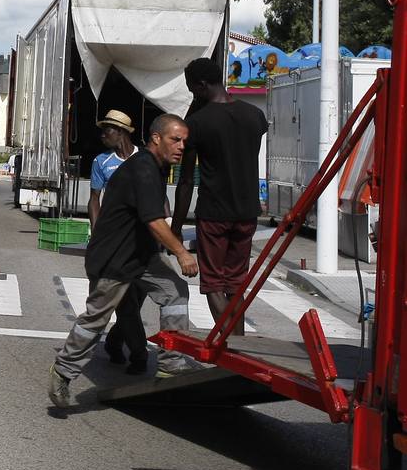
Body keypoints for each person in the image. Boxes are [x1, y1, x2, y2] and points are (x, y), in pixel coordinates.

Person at [48, 115, 202, 409]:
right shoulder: (143, 168)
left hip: (140, 254)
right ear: (156, 138)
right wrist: (181, 252)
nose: (182, 146)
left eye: (184, 141)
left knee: (175, 292)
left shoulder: (157, 167)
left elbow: (156, 216)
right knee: (96, 319)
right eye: (175, 139)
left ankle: (170, 362)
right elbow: (154, 220)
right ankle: (63, 371)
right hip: (114, 257)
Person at [171, 57, 269, 335]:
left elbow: (187, 180)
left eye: (192, 89)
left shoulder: (198, 123)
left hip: (214, 213)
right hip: (247, 212)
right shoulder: (255, 116)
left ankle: (230, 350)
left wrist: (176, 228)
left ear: (201, 85)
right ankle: (239, 350)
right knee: (235, 284)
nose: (192, 95)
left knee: (214, 283)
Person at [89, 110, 149, 375]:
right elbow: (94, 199)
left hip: (145, 240)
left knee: (137, 297)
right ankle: (139, 355)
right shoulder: (101, 162)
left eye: (107, 131)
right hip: (116, 244)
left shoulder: (145, 159)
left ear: (121, 132)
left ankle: (115, 340)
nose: (103, 135)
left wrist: (167, 228)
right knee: (126, 301)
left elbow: (158, 197)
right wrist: (97, 232)